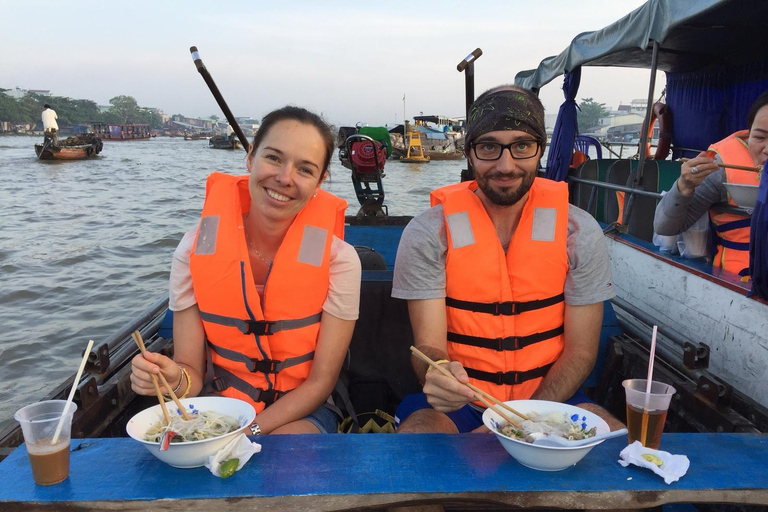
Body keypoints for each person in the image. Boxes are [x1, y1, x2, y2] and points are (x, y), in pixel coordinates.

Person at [392, 85, 619, 434]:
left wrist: (526, 422)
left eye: (522, 146)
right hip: (463, 405)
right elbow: (428, 346)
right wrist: (438, 371)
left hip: (552, 399)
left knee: (622, 448)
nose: (505, 165)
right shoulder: (428, 234)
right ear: (469, 153)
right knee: (418, 442)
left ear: (539, 150)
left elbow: (581, 352)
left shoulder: (578, 231)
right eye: (488, 147)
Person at [131, 106, 362, 435]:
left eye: (305, 169)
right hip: (221, 408)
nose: (284, 178)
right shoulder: (192, 252)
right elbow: (191, 376)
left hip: (304, 410)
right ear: (250, 158)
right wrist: (173, 380)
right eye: (273, 158)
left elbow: (320, 383)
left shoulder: (340, 260)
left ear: (320, 182)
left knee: (281, 455)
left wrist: (246, 434)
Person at [654, 90, 768, 276]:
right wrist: (684, 186)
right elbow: (665, 227)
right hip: (738, 281)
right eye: (760, 137)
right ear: (749, 132)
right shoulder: (721, 169)